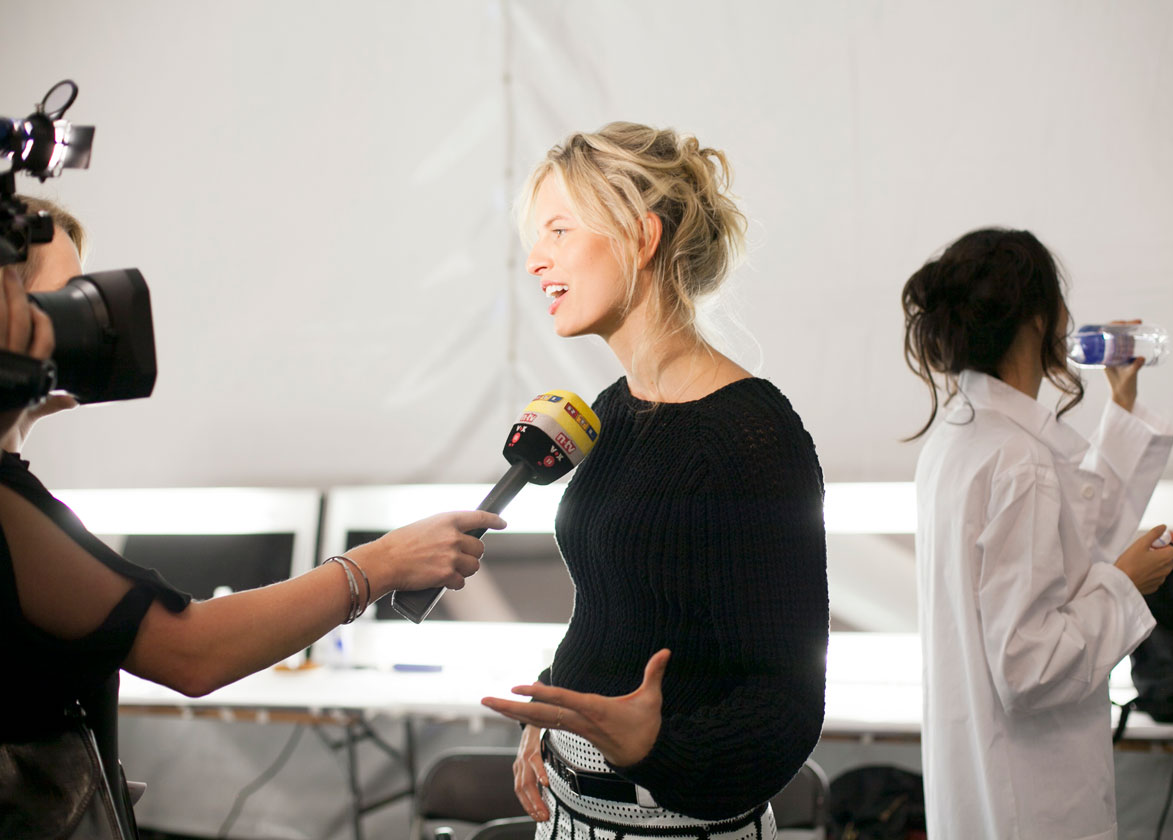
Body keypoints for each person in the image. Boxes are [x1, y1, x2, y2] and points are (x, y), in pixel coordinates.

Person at [0, 196, 506, 830]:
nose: (90, 322)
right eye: (64, 299)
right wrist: (379, 565)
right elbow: (191, 650)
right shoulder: (7, 512)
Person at [480, 123, 829, 839]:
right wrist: (553, 713)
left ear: (642, 238)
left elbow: (787, 705)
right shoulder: (613, 409)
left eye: (558, 231)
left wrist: (657, 749)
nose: (536, 261)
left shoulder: (752, 437)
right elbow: (616, 603)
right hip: (570, 813)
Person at [901, 227, 1173, 839]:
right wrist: (1127, 585)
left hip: (981, 787)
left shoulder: (958, 439)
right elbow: (1031, 664)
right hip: (1034, 802)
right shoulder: (1016, 459)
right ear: (1037, 320)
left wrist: (1123, 407)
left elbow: (1066, 543)